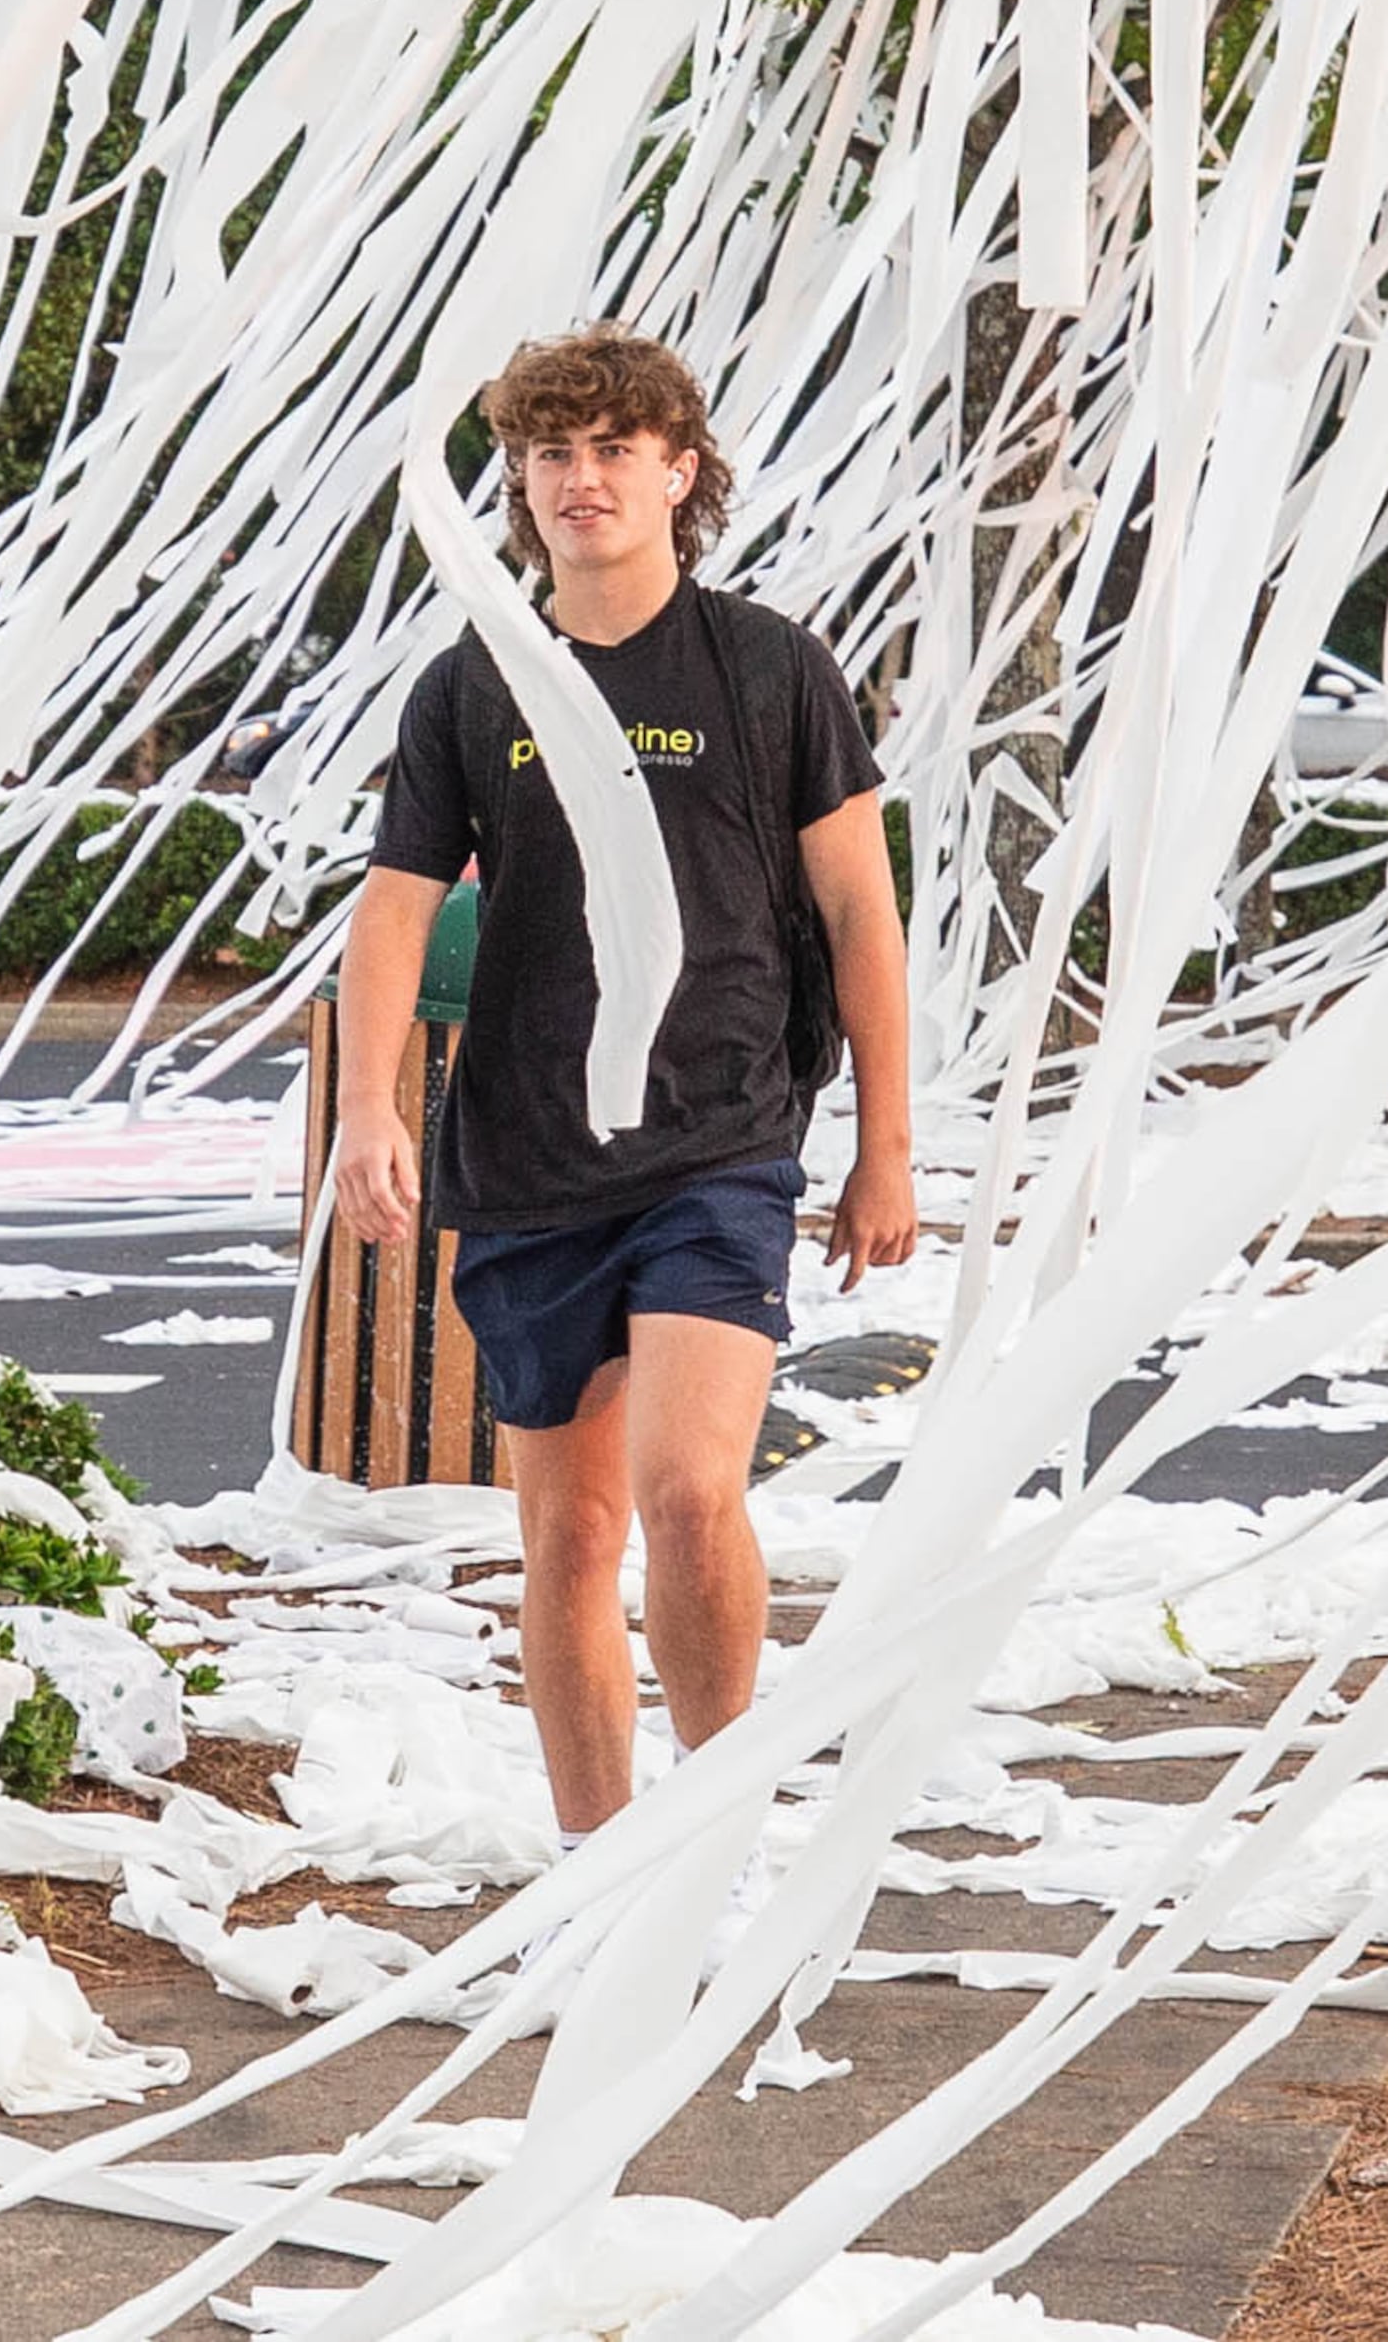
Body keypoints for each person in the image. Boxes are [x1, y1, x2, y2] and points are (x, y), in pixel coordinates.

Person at [332, 323, 913, 1860]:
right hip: (525, 1154)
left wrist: (886, 1150)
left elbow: (860, 909)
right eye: (552, 454)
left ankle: (721, 1835)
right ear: (520, 487)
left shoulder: (770, 666)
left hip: (718, 1138)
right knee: (571, 1533)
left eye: (613, 450)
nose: (582, 479)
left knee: (684, 1489)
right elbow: (394, 905)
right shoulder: (472, 685)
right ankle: (606, 1878)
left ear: (680, 472)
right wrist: (372, 1114)